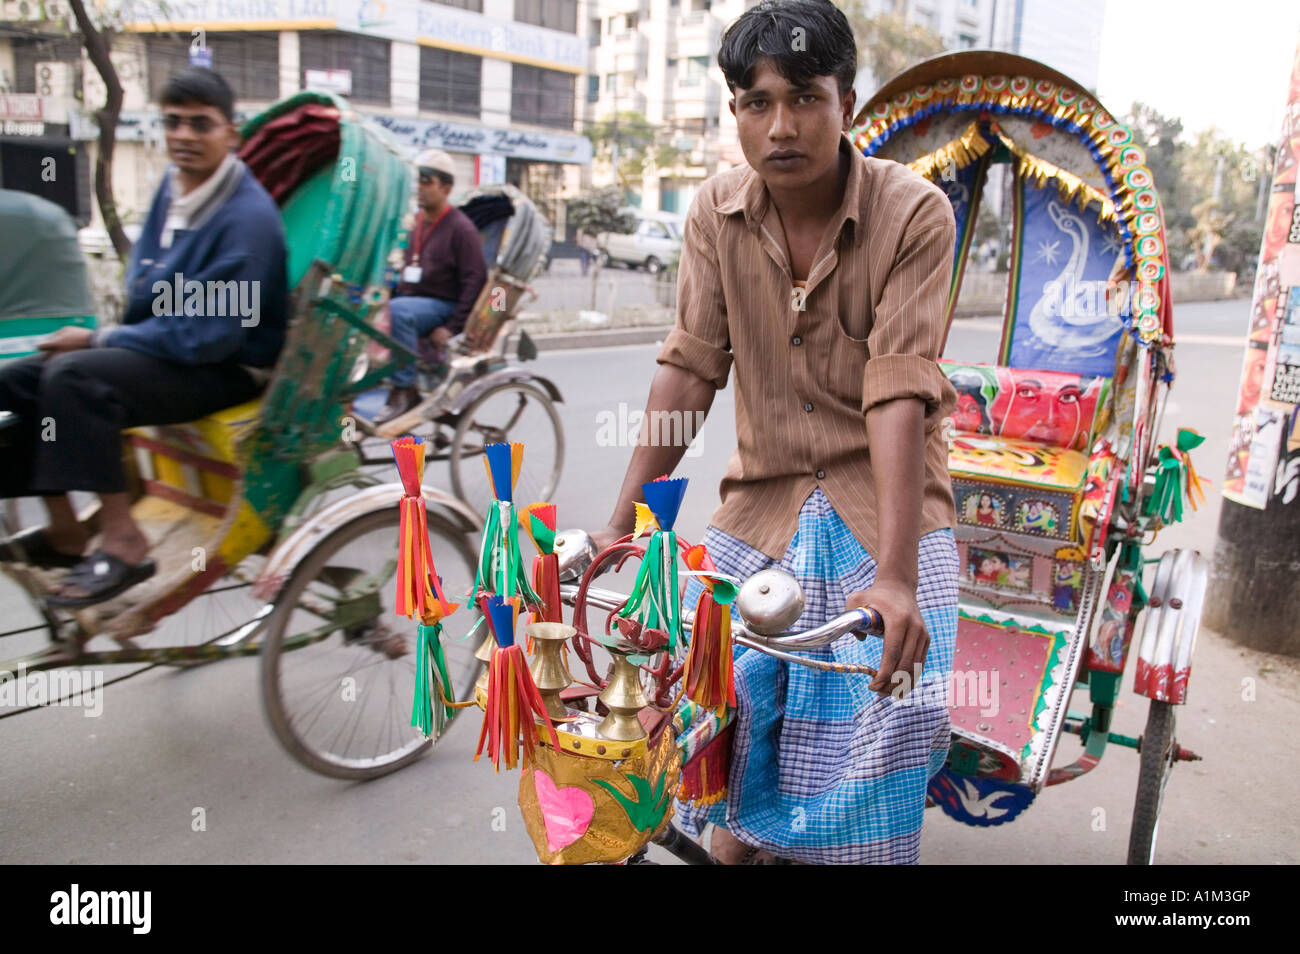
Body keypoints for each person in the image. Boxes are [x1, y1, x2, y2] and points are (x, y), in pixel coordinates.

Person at [587, 0, 959, 864]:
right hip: (762, 507)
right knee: (706, 693)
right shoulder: (715, 214)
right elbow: (690, 369)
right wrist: (619, 527)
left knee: (898, 705)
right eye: (757, 103)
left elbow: (899, 392)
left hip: (889, 512)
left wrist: (897, 579)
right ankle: (734, 842)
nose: (781, 125)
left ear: (847, 104)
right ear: (735, 114)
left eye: (804, 98)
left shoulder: (915, 215)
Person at [0, 67, 289, 608]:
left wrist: (100, 341)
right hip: (174, 342)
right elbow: (147, 290)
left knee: (75, 379)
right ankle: (65, 529)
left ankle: (123, 539)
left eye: (201, 125)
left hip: (226, 362)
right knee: (18, 380)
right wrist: (113, 337)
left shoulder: (248, 222)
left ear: (232, 133)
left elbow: (211, 336)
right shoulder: (172, 186)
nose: (184, 136)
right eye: (174, 123)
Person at [373, 148, 488, 425]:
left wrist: (452, 327)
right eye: (418, 180)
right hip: (413, 299)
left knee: (398, 312)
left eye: (427, 181)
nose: (420, 188)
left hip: (441, 305)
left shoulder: (461, 229)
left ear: (446, 188)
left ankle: (405, 389)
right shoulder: (416, 223)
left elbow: (476, 282)